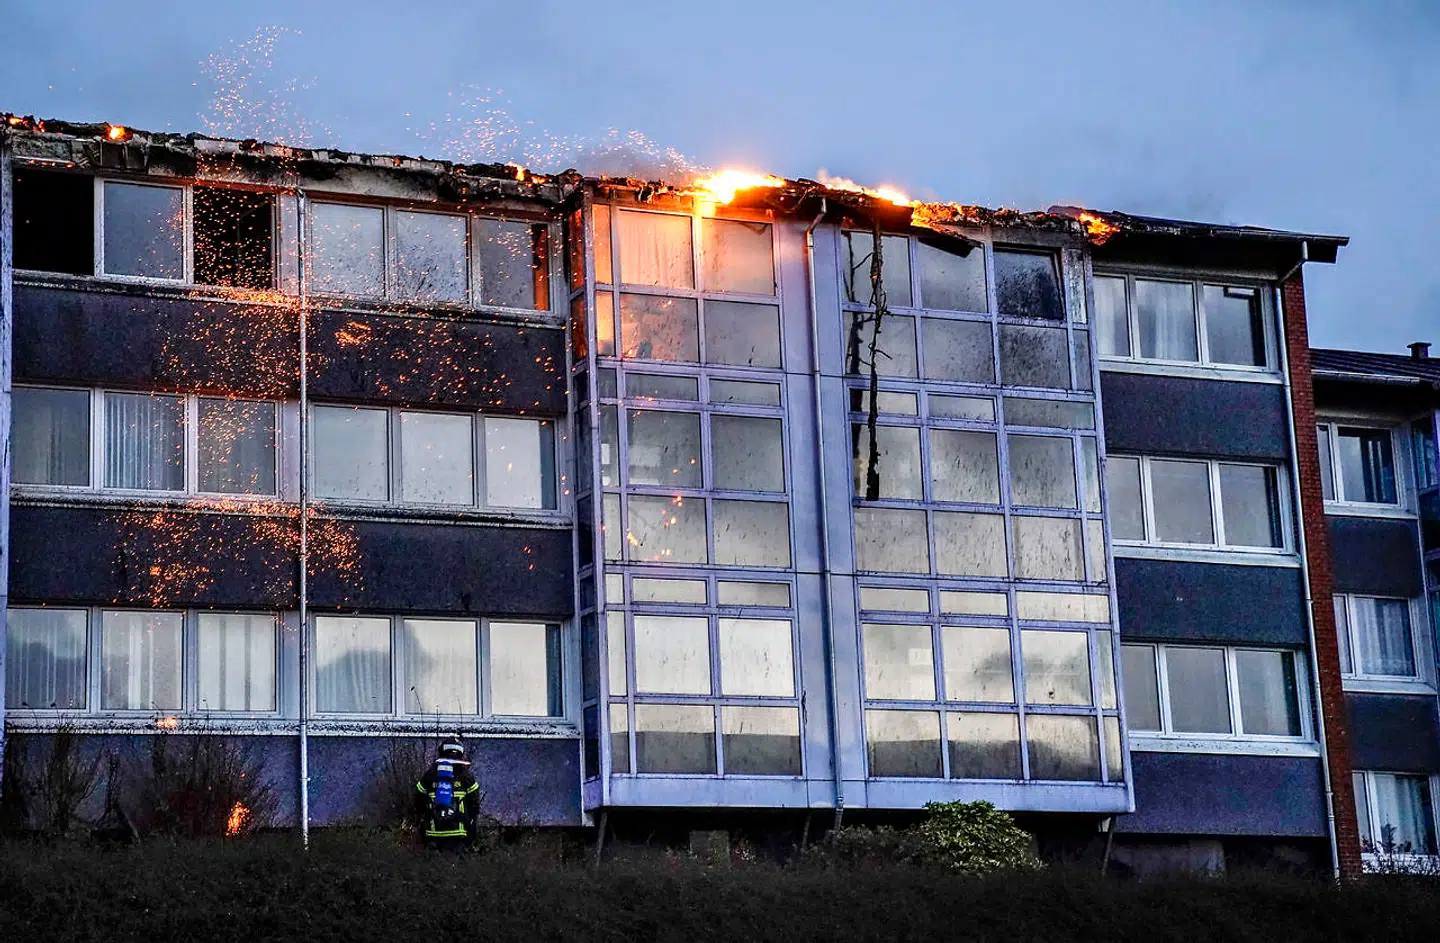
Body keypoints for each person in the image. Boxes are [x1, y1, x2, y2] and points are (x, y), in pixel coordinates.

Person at [414, 736, 480, 852]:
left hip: (434, 832)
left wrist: (424, 818)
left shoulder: (430, 774)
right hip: (457, 833)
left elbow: (418, 799)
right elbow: (474, 803)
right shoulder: (465, 775)